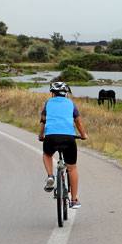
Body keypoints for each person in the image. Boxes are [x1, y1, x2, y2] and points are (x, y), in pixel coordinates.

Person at [39, 80, 88, 208]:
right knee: (72, 168)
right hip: (68, 138)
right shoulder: (71, 104)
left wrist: (41, 135)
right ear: (66, 93)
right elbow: (78, 122)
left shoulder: (48, 104)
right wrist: (83, 135)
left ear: (53, 94)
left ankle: (50, 176)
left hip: (51, 137)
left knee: (47, 154)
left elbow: (43, 122)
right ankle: (74, 200)